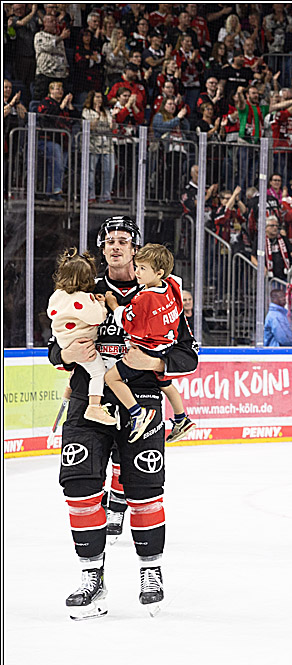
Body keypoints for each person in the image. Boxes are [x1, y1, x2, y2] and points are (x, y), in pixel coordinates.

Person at [49, 216, 198, 620]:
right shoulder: (83, 288)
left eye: (123, 241)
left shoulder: (163, 290)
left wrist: (155, 361)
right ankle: (91, 577)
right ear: (102, 249)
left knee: (145, 490)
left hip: (142, 400)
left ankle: (151, 573)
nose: (116, 246)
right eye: (109, 241)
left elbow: (188, 355)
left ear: (135, 249)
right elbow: (56, 346)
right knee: (78, 487)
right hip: (89, 400)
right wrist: (66, 355)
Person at [102, 243, 195, 444]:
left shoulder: (144, 299)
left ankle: (137, 413)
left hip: (147, 350)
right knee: (166, 384)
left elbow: (127, 323)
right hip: (166, 346)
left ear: (159, 273)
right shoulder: (171, 285)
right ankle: (181, 418)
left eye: (142, 268)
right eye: (137, 267)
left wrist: (113, 304)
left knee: (111, 378)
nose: (137, 272)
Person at [48, 249, 117, 426]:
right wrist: (101, 304)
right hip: (82, 342)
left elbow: (51, 312)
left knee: (80, 368)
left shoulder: (58, 295)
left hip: (64, 340)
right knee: (98, 372)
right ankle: (94, 406)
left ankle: (68, 389)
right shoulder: (83, 299)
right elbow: (97, 318)